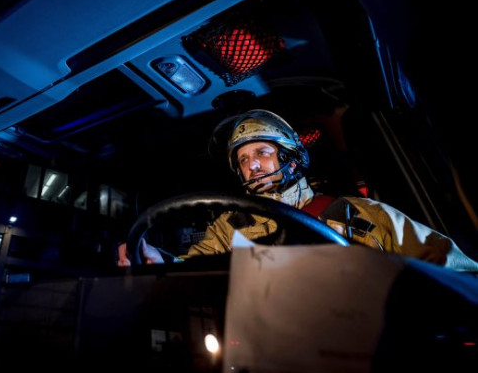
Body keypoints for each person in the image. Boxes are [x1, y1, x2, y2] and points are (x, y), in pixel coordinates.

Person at [117, 109, 478, 271]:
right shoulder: (230, 226)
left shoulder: (361, 213)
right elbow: (196, 269)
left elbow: (456, 271)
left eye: (261, 152)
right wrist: (160, 260)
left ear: (290, 159)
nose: (252, 165)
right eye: (243, 159)